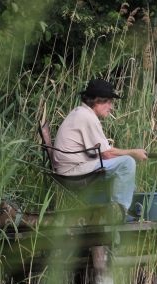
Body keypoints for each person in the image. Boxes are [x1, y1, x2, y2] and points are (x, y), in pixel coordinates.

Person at [53, 78, 147, 216]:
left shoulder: (81, 112)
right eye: (108, 102)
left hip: (72, 168)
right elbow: (107, 154)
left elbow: (105, 151)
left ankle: (109, 210)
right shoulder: (87, 117)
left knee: (124, 162)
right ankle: (119, 213)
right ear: (97, 100)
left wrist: (133, 152)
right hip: (73, 172)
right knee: (127, 163)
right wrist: (133, 154)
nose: (111, 107)